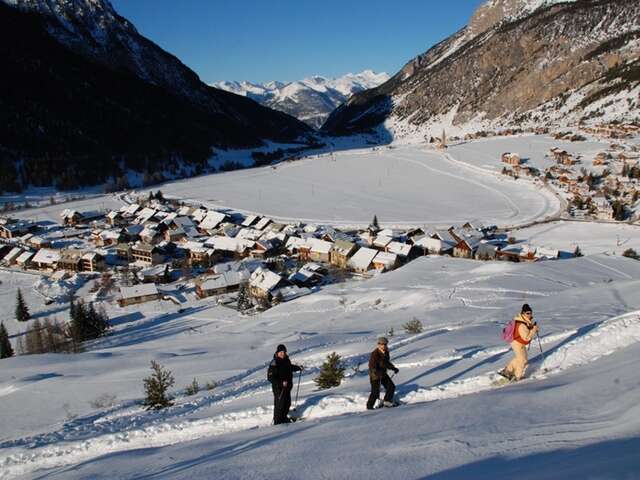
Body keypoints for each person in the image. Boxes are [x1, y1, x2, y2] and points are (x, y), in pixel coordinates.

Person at [500, 303, 539, 381]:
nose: (529, 314)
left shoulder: (524, 320)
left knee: (521, 358)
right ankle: (518, 376)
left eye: (530, 313)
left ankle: (507, 371)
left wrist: (532, 328)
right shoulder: (522, 324)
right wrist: (533, 330)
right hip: (517, 342)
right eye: (527, 313)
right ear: (523, 313)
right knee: (522, 360)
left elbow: (527, 331)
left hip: (517, 341)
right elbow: (526, 338)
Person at [268, 344, 303, 424]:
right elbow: (270, 378)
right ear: (277, 353)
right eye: (281, 352)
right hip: (278, 389)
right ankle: (277, 422)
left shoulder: (286, 360)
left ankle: (284, 418)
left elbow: (290, 367)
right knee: (279, 406)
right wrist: (281, 383)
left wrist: (298, 368)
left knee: (287, 404)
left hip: (287, 387)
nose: (282, 353)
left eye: (284, 352)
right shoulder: (274, 362)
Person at [366, 337, 399, 410]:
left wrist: (393, 368)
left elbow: (386, 363)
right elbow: (371, 365)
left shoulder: (386, 352)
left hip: (383, 374)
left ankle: (387, 401)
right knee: (375, 392)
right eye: (381, 344)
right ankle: (369, 407)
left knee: (391, 387)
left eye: (385, 344)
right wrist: (376, 372)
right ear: (378, 345)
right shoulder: (375, 354)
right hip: (375, 376)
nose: (383, 345)